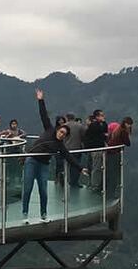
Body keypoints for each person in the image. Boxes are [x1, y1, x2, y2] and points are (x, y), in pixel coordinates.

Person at [22, 89, 86, 223]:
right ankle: (25, 214)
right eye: (61, 131)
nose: (62, 134)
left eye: (64, 134)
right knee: (27, 188)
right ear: (58, 129)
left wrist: (80, 168)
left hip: (43, 165)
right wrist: (40, 100)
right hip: (32, 161)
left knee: (43, 190)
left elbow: (68, 157)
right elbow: (44, 115)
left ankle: (43, 215)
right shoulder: (49, 129)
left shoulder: (60, 145)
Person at [105, 116, 134, 199]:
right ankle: (111, 194)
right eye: (129, 124)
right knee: (114, 174)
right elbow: (128, 143)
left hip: (110, 152)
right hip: (115, 153)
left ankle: (107, 192)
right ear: (125, 123)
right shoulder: (123, 131)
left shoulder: (117, 129)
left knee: (110, 172)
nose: (130, 126)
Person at [83, 109, 109, 193]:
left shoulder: (100, 124)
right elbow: (100, 134)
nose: (103, 117)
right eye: (101, 115)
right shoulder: (94, 125)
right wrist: (103, 135)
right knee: (96, 167)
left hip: (96, 148)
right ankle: (95, 186)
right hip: (96, 149)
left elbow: (104, 131)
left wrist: (104, 124)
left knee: (93, 166)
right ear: (97, 117)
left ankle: (92, 184)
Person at [63, 113, 87, 188]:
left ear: (67, 118)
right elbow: (84, 136)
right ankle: (74, 182)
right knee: (76, 166)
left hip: (66, 149)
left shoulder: (64, 126)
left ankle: (62, 181)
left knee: (65, 166)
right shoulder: (79, 126)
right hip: (77, 149)